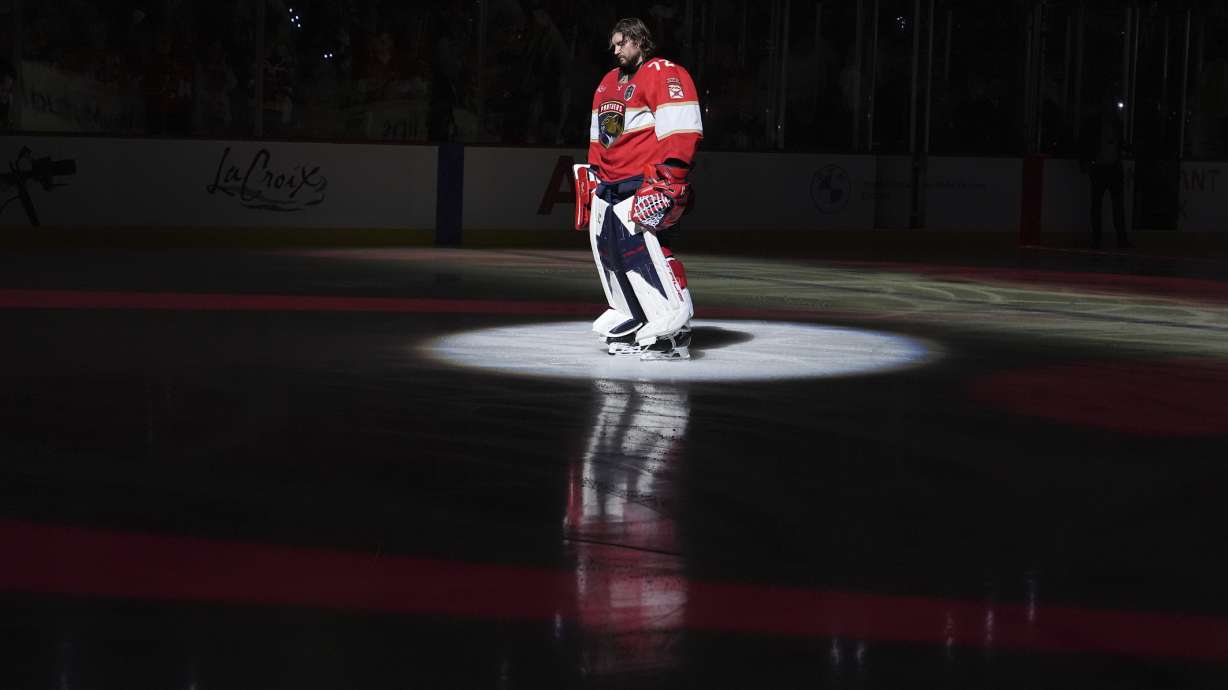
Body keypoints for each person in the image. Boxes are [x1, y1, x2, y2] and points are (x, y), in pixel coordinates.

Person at [573, 17, 702, 360]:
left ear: (639, 41)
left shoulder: (664, 72)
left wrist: (670, 177)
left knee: (647, 252)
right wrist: (595, 174)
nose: (614, 50)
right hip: (611, 186)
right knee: (612, 253)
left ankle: (673, 324)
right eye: (613, 44)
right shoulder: (606, 83)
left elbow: (681, 129)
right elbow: (600, 137)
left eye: (620, 43)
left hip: (642, 184)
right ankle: (634, 316)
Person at [1080, 95, 1132, 249]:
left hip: (1113, 168)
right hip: (1100, 168)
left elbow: (1120, 143)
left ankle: (1121, 239)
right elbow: (1085, 143)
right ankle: (1097, 239)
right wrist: (1085, 162)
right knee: (1097, 206)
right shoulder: (1094, 124)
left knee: (1117, 206)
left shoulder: (1117, 124)